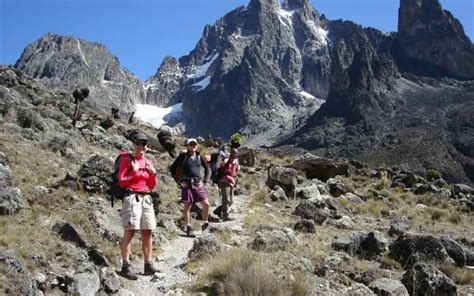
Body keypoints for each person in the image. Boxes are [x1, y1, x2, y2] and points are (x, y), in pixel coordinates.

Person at [117, 132, 159, 280]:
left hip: (146, 198)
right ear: (133, 144)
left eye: (144, 144)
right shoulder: (126, 160)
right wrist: (134, 172)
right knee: (130, 231)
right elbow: (122, 182)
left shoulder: (148, 162)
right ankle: (125, 266)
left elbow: (152, 185)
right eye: (138, 143)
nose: (141, 146)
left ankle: (148, 264)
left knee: (147, 232)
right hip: (132, 197)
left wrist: (153, 174)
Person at [170, 138, 210, 236]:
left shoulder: (199, 156)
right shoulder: (182, 157)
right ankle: (188, 227)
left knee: (206, 204)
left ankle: (205, 222)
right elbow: (172, 168)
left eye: (195, 144)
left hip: (198, 184)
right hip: (187, 184)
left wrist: (204, 181)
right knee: (188, 206)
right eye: (191, 144)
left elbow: (207, 169)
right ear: (187, 146)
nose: (193, 146)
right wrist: (179, 182)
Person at [217, 148, 240, 221]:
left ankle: (218, 211)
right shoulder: (225, 161)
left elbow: (235, 173)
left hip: (231, 182)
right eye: (233, 153)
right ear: (231, 153)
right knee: (225, 199)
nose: (234, 155)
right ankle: (225, 216)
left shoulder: (236, 162)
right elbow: (220, 171)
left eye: (236, 153)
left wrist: (234, 182)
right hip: (224, 181)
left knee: (231, 200)